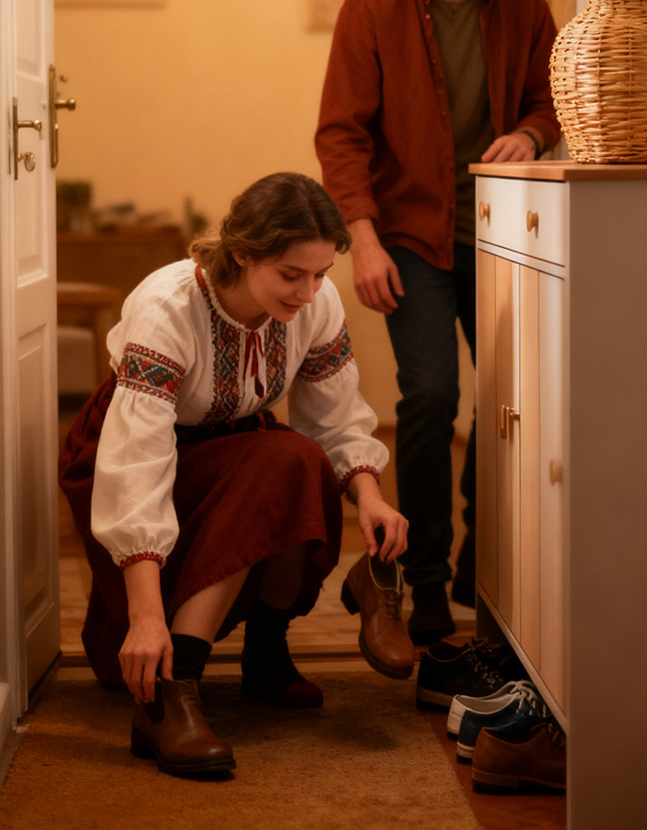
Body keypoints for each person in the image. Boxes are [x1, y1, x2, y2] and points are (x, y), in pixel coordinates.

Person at [59, 172, 408, 777]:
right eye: (292, 275)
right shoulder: (167, 307)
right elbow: (136, 463)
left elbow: (335, 417)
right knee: (278, 461)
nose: (309, 292)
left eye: (321, 273)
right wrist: (145, 616)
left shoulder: (316, 302)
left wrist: (370, 499)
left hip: (234, 447)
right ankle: (170, 693)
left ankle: (265, 653)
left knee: (294, 458)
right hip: (127, 456)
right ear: (244, 253)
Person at [315, 0, 561, 645]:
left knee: (510, 398)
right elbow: (341, 135)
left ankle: (481, 562)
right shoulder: (370, 6)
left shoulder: (524, 4)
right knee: (430, 395)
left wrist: (530, 132)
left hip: (501, 231)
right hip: (407, 238)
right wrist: (362, 240)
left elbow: (551, 97)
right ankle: (421, 578)